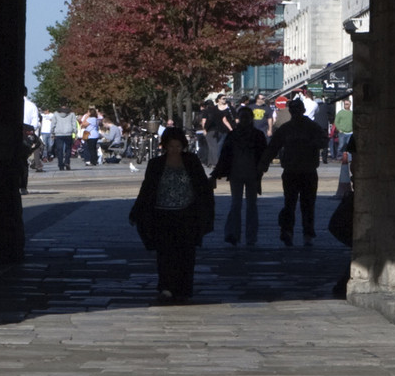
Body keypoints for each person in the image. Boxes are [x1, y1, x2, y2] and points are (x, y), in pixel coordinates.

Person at [129, 122, 216, 301]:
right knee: (165, 253)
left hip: (186, 214)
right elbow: (147, 189)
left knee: (186, 253)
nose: (175, 150)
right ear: (165, 146)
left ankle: (184, 287)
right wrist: (137, 210)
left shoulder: (191, 161)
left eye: (178, 146)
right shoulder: (156, 164)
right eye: (171, 146)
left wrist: (207, 211)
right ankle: (166, 286)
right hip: (162, 215)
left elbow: (201, 187)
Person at [271, 95, 328, 245]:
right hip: (300, 170)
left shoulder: (297, 127)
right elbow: (274, 146)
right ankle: (300, 232)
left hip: (300, 170)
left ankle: (295, 232)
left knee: (294, 203)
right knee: (303, 204)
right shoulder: (303, 127)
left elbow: (273, 147)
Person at [216, 106, 272, 246]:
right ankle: (245, 236)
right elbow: (225, 155)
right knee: (244, 204)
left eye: (246, 117)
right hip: (243, 172)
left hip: (246, 172)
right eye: (243, 117)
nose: (244, 120)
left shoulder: (237, 135)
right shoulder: (255, 135)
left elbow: (225, 155)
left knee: (241, 204)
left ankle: (238, 234)